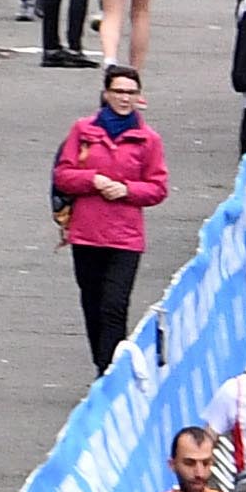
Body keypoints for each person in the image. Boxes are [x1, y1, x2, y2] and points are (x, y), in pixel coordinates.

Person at [54, 64, 170, 375]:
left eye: (131, 93)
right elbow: (63, 176)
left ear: (139, 97)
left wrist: (126, 189)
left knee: (114, 306)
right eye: (118, 91)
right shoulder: (83, 131)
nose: (124, 98)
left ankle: (109, 374)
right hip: (86, 233)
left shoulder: (148, 140)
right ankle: (101, 363)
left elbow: (158, 188)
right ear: (106, 94)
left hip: (125, 238)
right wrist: (93, 180)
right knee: (92, 305)